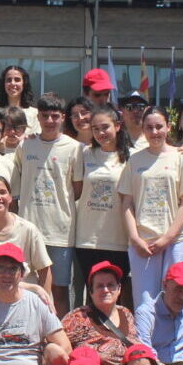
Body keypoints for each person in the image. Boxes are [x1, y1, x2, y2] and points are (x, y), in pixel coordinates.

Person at [120, 106, 183, 314]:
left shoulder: (181, 158)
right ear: (143, 130)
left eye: (159, 127)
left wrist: (167, 238)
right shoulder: (135, 160)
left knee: (176, 299)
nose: (154, 132)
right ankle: (146, 346)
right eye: (149, 128)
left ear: (168, 127)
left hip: (176, 240)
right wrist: (135, 238)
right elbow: (127, 202)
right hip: (143, 242)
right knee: (145, 304)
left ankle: (176, 345)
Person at [14, 93, 79, 309]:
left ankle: (60, 336)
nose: (50, 121)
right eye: (45, 116)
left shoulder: (74, 148)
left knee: (59, 288)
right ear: (38, 118)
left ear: (62, 117)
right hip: (29, 228)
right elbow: (16, 187)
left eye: (54, 116)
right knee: (25, 285)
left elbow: (76, 190)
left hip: (60, 231)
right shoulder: (26, 146)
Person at [72, 104, 132, 294]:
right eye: (95, 129)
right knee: (94, 294)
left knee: (116, 295)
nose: (100, 133)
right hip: (87, 239)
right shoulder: (84, 153)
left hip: (118, 240)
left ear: (117, 126)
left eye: (105, 127)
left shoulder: (133, 156)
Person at [0, 175, 53, 290]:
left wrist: (46, 302)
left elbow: (44, 270)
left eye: (2, 192)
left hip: (24, 298)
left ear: (10, 197)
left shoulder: (28, 229)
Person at [58, 261, 138, 365]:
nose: (105, 290)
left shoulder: (126, 313)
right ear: (91, 292)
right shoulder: (78, 317)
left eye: (110, 285)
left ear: (119, 288)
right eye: (100, 286)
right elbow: (56, 345)